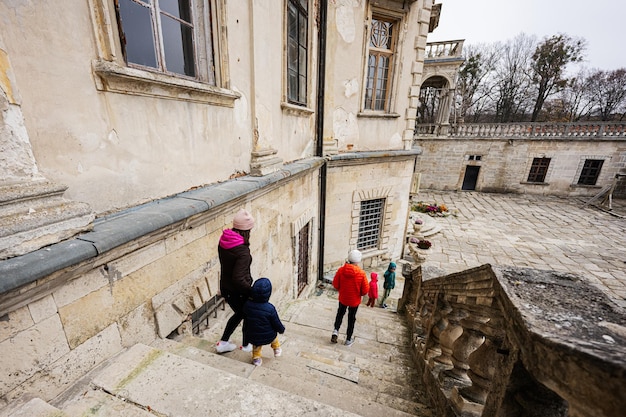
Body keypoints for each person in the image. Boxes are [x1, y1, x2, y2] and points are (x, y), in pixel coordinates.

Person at [215, 209, 255, 353]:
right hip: (238, 291)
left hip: (226, 287)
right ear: (247, 230)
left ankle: (226, 342)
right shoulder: (242, 252)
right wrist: (251, 291)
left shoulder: (224, 241)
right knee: (246, 314)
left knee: (241, 313)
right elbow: (238, 278)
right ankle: (244, 345)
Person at [242, 277, 286, 366]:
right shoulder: (270, 308)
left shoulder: (247, 305)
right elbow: (276, 322)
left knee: (256, 347)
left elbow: (246, 320)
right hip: (269, 335)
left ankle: (256, 359)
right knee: (274, 339)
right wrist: (281, 329)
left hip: (253, 335)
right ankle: (276, 349)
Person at [331, 249, 369, 346]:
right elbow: (365, 291)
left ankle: (336, 330)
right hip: (354, 300)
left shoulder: (341, 270)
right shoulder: (361, 273)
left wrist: (342, 289)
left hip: (343, 297)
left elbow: (335, 284)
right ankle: (348, 339)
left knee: (340, 314)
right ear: (358, 261)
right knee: (351, 318)